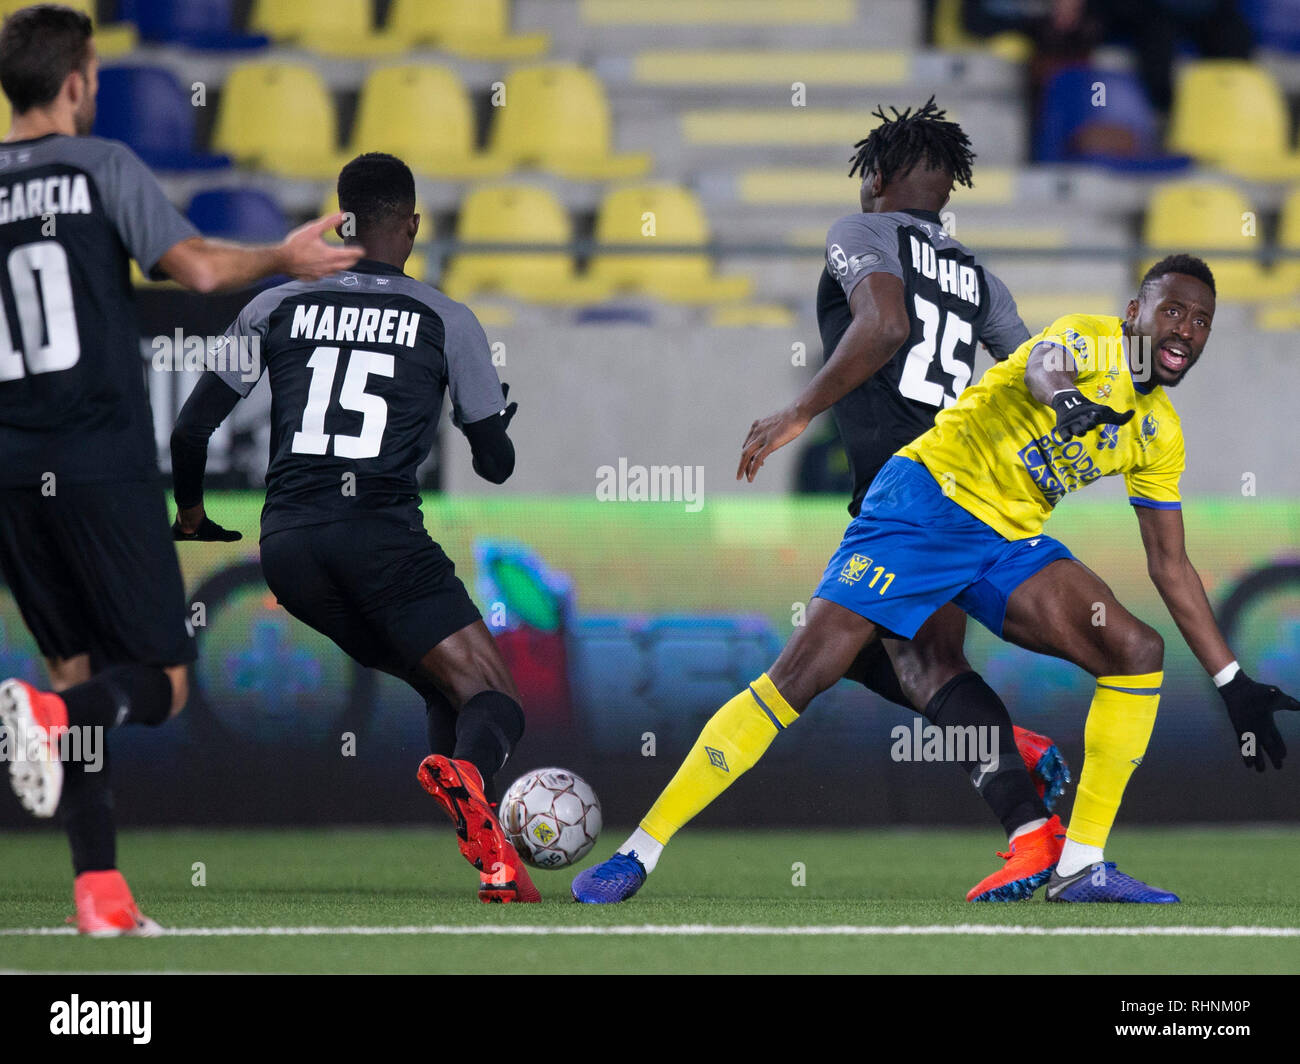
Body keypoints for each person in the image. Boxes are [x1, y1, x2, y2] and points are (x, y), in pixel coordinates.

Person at [574, 252, 1300, 905]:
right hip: (924, 505)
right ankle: (642, 849)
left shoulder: (1159, 433)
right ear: (1135, 311)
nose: (1185, 329)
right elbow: (1049, 365)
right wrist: (1069, 401)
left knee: (1136, 650)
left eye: (1201, 320)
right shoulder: (1091, 337)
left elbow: (1170, 564)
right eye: (1171, 309)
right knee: (804, 672)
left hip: (1007, 540)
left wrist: (1232, 679)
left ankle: (1081, 866)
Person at [580, 98, 1074, 905]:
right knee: (921, 664)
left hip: (910, 501)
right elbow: (1032, 369)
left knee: (797, 674)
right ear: (947, 190)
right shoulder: (981, 276)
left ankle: (638, 851)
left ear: (874, 177)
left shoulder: (862, 233)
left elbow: (882, 325)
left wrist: (797, 410)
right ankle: (1023, 797)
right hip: (961, 495)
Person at [0, 3, 362, 936]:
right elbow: (195, 270)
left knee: (77, 663)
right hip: (99, 457)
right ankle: (46, 712)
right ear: (78, 82)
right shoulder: (100, 167)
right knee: (159, 682)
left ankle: (100, 894)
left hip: (9, 471)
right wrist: (283, 255)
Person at [169, 152, 539, 904]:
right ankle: (474, 792)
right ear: (409, 224)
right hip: (380, 537)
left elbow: (189, 429)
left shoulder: (277, 304)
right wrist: (494, 418)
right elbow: (495, 464)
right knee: (494, 696)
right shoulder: (446, 318)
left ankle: (494, 860)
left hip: (291, 551)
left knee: (447, 687)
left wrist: (193, 513)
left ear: (342, 223)